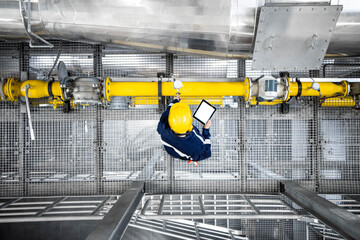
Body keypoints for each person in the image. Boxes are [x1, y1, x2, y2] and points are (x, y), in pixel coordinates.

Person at [157, 95, 211, 166]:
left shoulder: (163, 128)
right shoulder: (197, 144)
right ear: (190, 123)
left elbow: (169, 111)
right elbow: (207, 153)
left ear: (170, 120)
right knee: (193, 154)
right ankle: (192, 158)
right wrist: (206, 129)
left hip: (172, 149)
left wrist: (175, 101)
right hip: (185, 152)